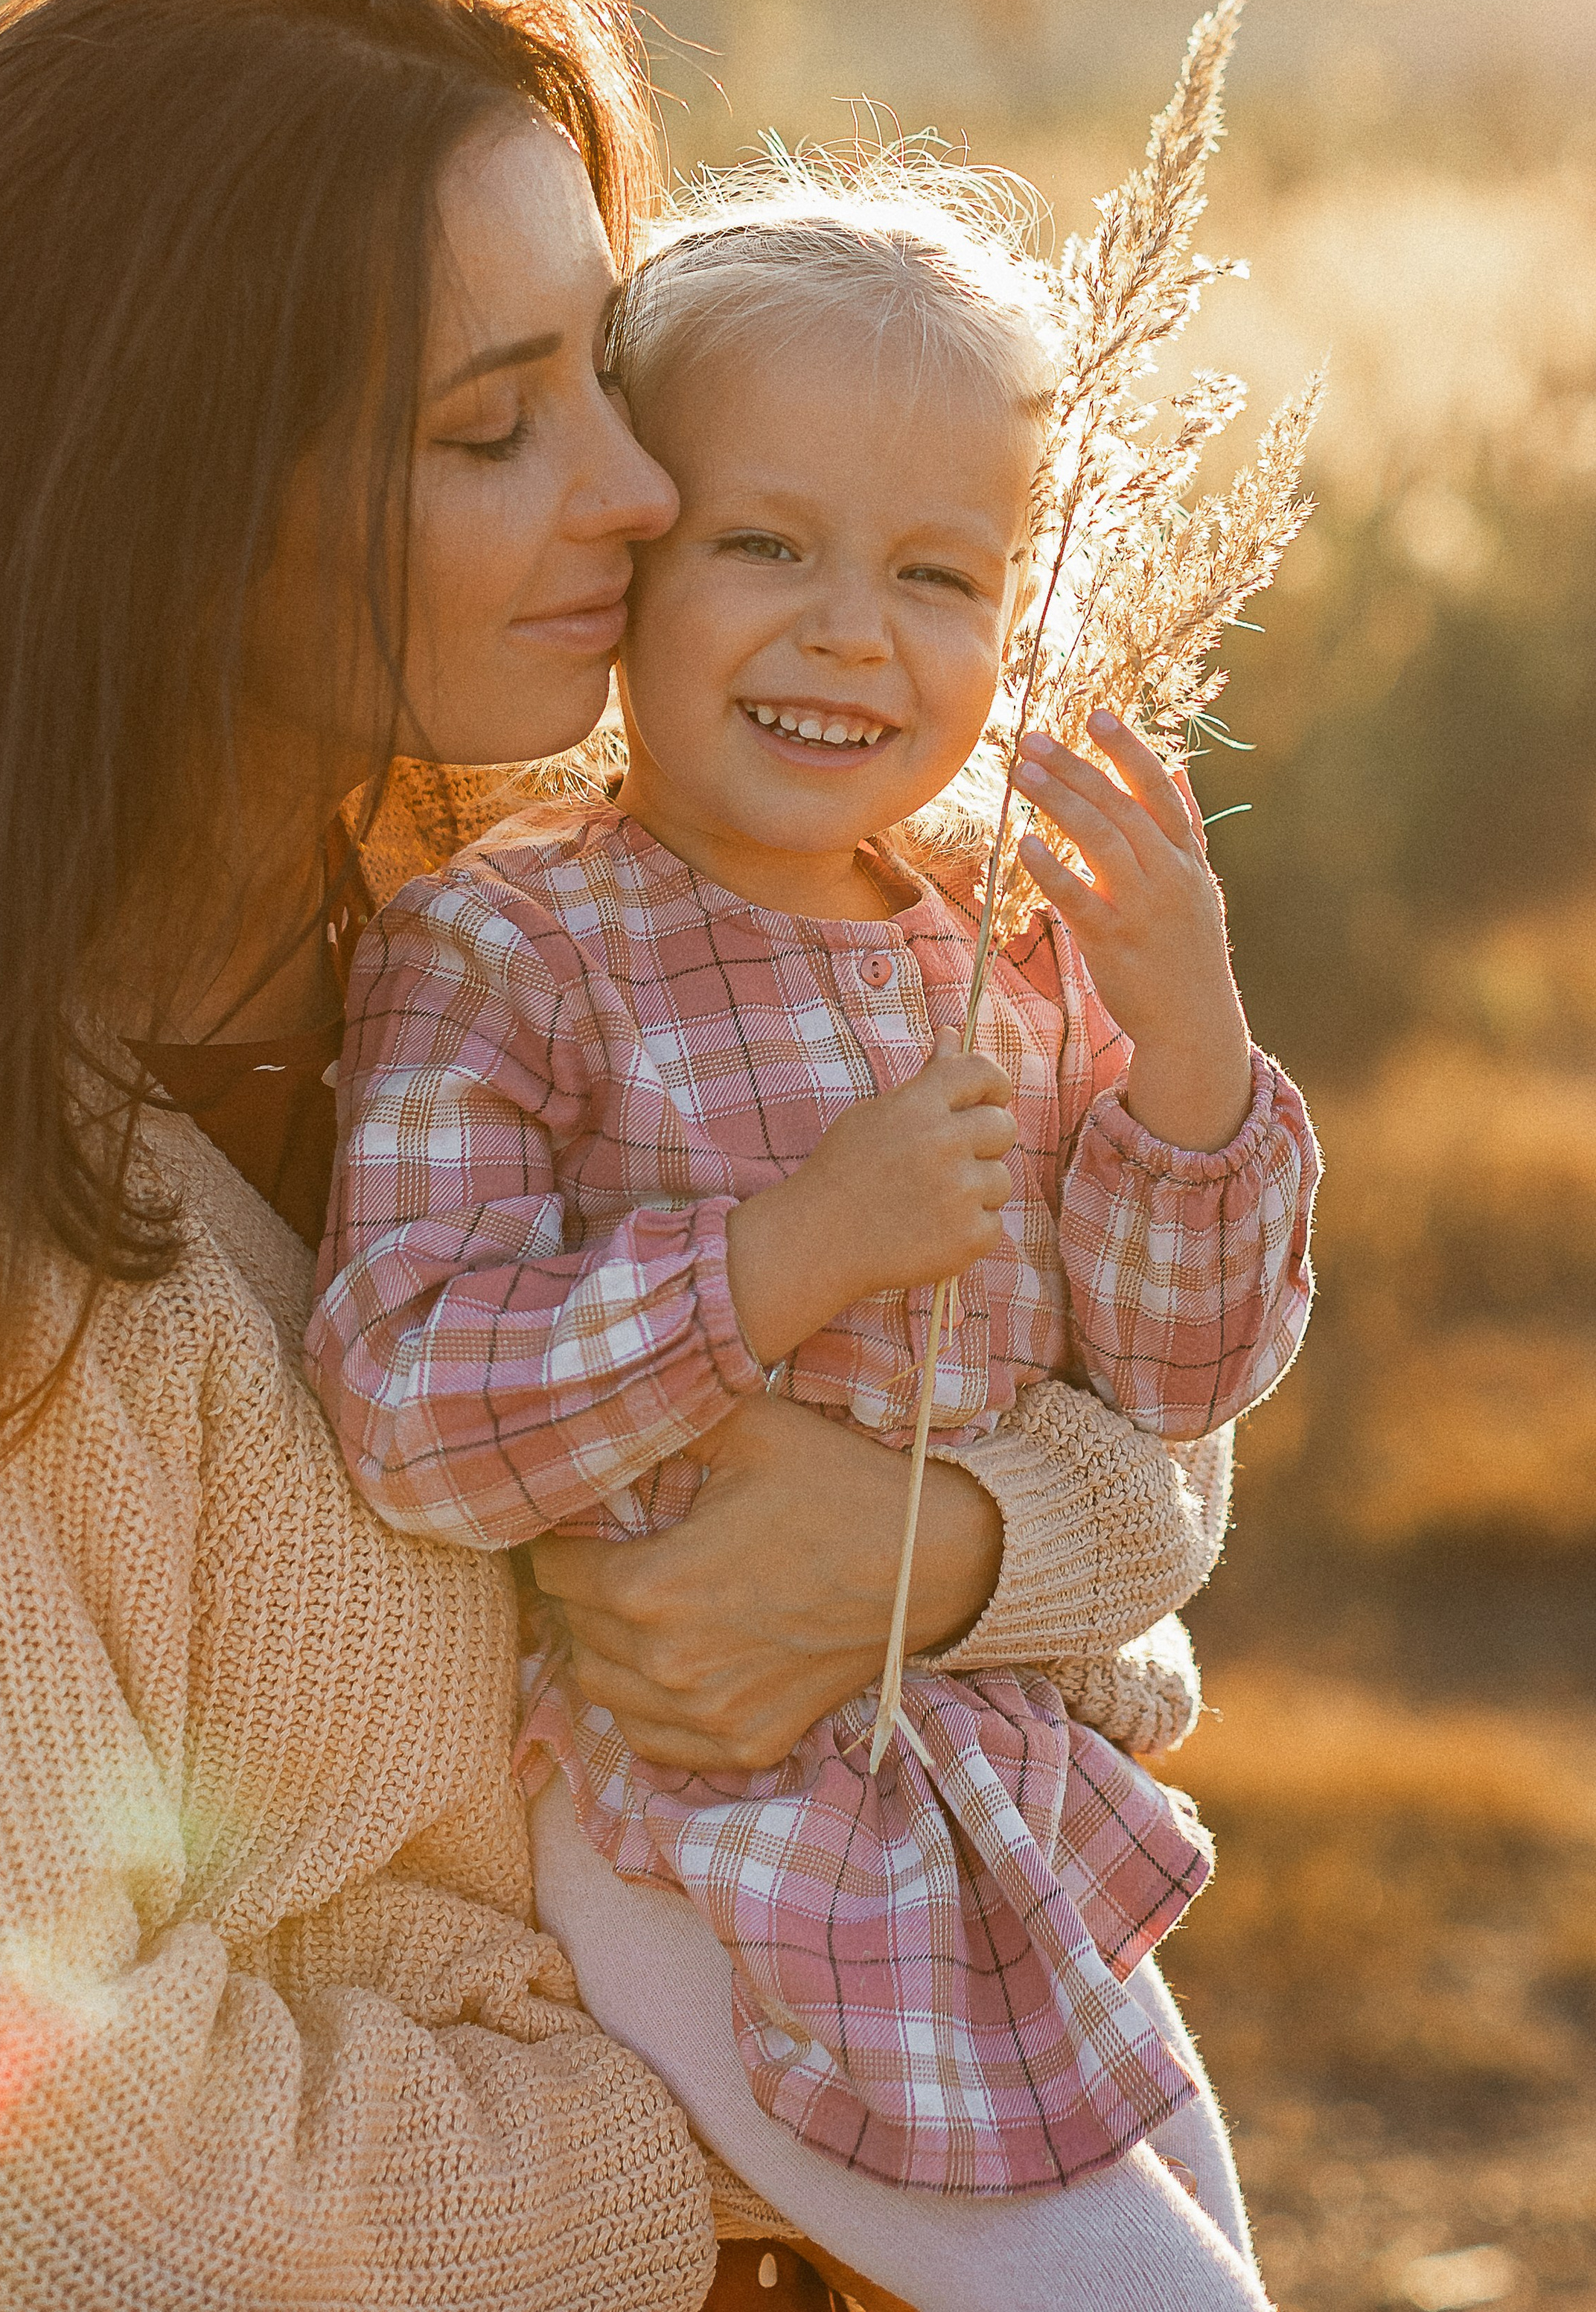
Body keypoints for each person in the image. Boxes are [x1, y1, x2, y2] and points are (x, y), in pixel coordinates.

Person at [0, 0, 1260, 2312]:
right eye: (492, 425)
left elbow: (1119, 1389)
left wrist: (923, 1559)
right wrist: (787, 2124)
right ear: (158, 505)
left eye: (610, 373)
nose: (644, 491)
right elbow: (12, 2176)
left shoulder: (567, 915)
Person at [310, 171, 1318, 2295]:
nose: (854, 629)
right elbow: (404, 1400)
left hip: (994, 1820)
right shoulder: (515, 951)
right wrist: (782, 1257)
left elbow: (1181, 1384)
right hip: (704, 1820)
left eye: (940, 574)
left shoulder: (1005, 953)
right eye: (768, 544)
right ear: (631, 565)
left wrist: (1194, 1047)